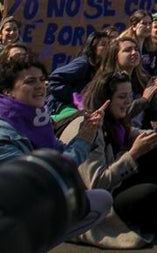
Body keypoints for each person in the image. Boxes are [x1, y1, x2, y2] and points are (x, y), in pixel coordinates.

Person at [0, 54, 114, 241]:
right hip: (11, 211)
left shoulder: (37, 120)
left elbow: (59, 153)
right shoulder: (4, 131)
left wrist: (87, 131)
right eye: (30, 81)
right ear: (8, 91)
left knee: (99, 200)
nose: (39, 86)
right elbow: (41, 177)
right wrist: (84, 141)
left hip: (30, 206)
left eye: (42, 80)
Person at [60, 69, 157, 247]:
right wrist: (133, 154)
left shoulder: (114, 122)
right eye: (121, 97)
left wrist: (155, 137)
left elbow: (134, 133)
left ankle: (154, 216)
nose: (128, 102)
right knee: (149, 193)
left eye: (130, 96)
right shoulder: (90, 127)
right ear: (105, 99)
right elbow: (96, 184)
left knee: (154, 158)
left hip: (111, 189)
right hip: (88, 204)